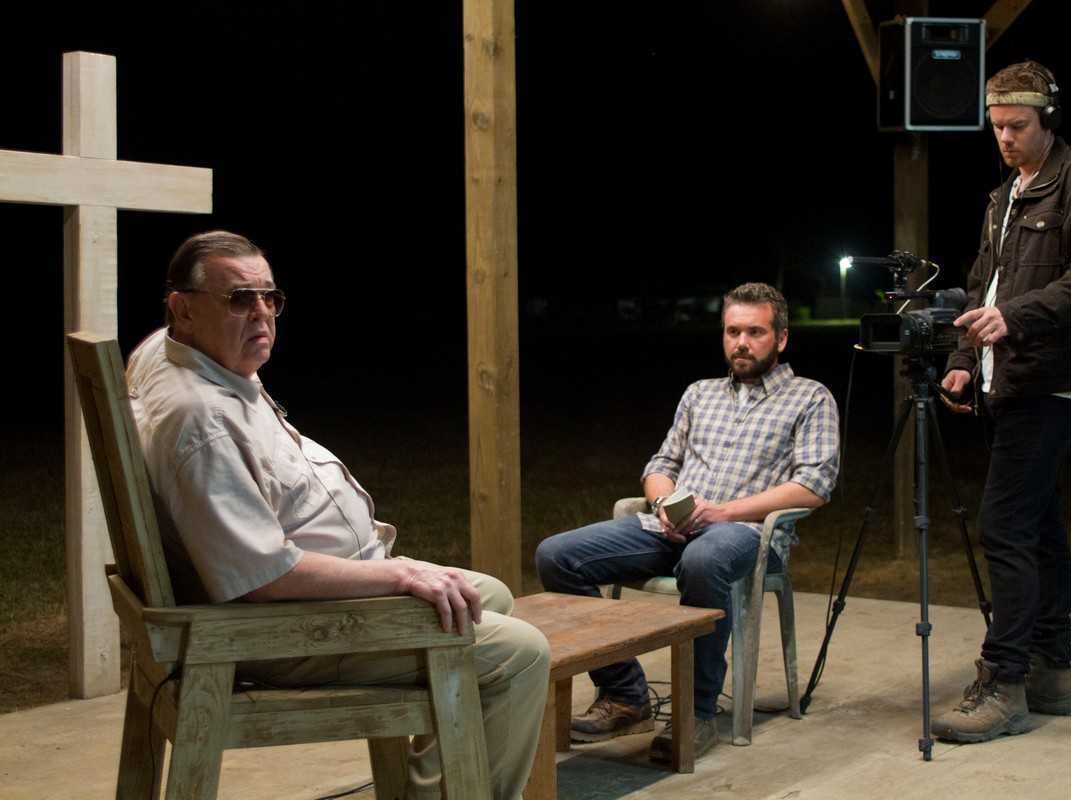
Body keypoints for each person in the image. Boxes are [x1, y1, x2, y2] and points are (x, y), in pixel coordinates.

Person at [126, 230, 550, 800]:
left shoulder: (174, 352)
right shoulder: (198, 419)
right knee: (520, 655)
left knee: (488, 594)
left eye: (269, 298)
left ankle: (431, 790)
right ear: (181, 308)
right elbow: (264, 578)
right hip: (281, 627)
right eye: (238, 299)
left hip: (312, 593)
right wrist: (399, 574)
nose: (261, 315)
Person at [535, 282, 839, 761]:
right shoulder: (701, 394)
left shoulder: (810, 398)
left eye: (755, 332)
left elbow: (814, 485)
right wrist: (663, 505)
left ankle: (695, 713)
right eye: (732, 331)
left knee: (704, 558)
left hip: (746, 534)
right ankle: (626, 696)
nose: (741, 342)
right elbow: (660, 465)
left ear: (781, 339)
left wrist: (723, 512)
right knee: (557, 555)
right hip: (673, 527)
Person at [932, 61, 1071, 743]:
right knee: (1039, 527)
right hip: (1010, 378)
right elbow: (983, 283)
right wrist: (964, 360)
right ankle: (1052, 671)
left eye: (1017, 126)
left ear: (1050, 119)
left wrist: (1013, 318)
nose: (1005, 138)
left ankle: (1005, 681)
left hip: (1056, 378)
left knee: (1006, 526)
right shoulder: (1003, 196)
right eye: (996, 127)